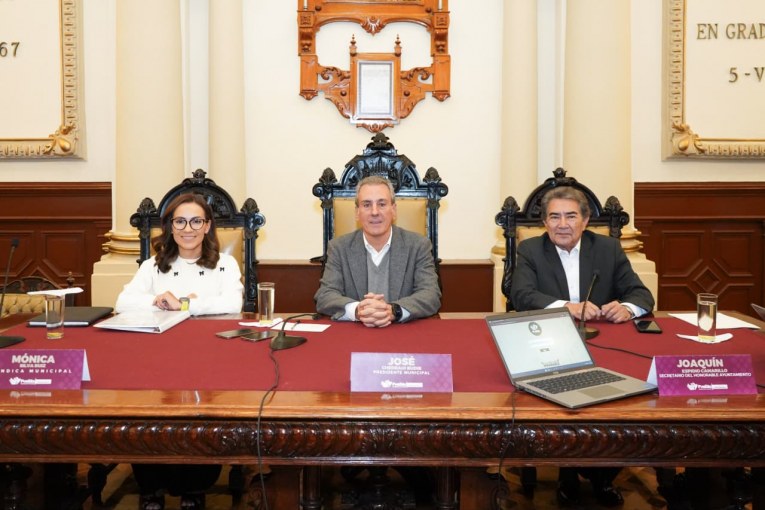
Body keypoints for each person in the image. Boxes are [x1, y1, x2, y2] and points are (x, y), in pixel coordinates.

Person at [510, 186, 655, 507]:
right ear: (545, 222)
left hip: (604, 345)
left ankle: (601, 474)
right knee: (563, 400)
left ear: (585, 220)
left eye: (571, 216)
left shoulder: (607, 248)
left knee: (622, 400)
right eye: (554, 217)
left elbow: (641, 294)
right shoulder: (531, 249)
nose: (562, 224)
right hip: (550, 345)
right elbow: (521, 295)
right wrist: (567, 306)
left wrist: (627, 308)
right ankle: (570, 471)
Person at [116, 192, 244, 510]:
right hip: (158, 358)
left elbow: (233, 304)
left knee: (200, 418)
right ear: (170, 227)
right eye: (180, 221)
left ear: (208, 226)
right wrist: (156, 299)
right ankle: (150, 487)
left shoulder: (225, 264)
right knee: (150, 414)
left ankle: (195, 488)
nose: (188, 229)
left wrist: (184, 304)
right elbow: (123, 302)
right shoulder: (153, 265)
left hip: (208, 358)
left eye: (196, 221)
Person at [314, 175, 441, 326]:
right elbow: (325, 295)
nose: (374, 212)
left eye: (382, 204)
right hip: (356, 333)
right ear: (357, 212)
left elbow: (430, 295)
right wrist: (358, 310)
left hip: (403, 333)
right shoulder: (339, 248)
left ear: (393, 210)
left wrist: (393, 311)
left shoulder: (418, 245)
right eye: (367, 205)